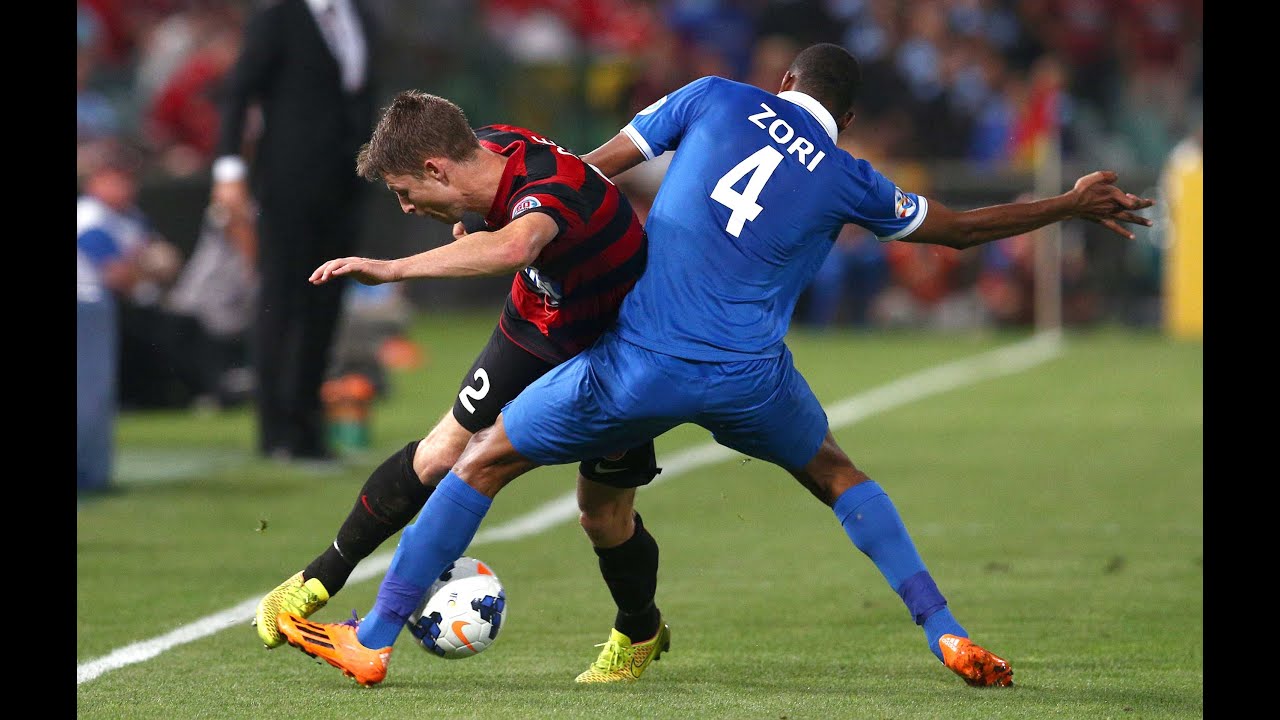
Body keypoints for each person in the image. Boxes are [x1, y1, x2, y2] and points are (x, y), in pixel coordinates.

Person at [277, 43, 1155, 688]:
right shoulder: (853, 177)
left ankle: (378, 634)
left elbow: (587, 175)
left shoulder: (712, 97)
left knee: (485, 459)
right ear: (841, 118)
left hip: (639, 356)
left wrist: (515, 224)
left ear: (784, 84)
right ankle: (944, 630)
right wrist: (1069, 205)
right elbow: (959, 230)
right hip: (752, 377)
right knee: (837, 473)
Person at [252, 90, 670, 684]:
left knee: (602, 516)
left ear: (435, 169)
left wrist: (392, 269)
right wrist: (469, 219)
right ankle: (312, 583)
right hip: (534, 325)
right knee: (443, 448)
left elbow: (517, 243)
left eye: (403, 192)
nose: (402, 207)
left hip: (614, 349)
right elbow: (494, 218)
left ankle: (640, 628)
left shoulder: (548, 192)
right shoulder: (491, 146)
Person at [211, 0, 380, 461]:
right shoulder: (279, 17)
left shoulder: (360, 17)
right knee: (282, 301)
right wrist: (228, 169)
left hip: (346, 185)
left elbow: (360, 98)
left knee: (327, 302)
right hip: (287, 183)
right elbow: (238, 92)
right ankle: (275, 430)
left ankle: (308, 427)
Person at [77, 144, 182, 496]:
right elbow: (118, 274)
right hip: (84, 304)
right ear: (95, 182)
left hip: (103, 309)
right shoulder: (90, 217)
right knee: (86, 395)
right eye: (114, 179)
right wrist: (146, 268)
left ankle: (92, 473)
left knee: (98, 396)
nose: (124, 188)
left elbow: (166, 263)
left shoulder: (130, 216)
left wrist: (146, 268)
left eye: (127, 179)